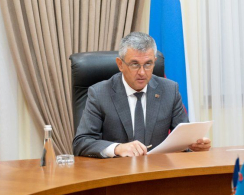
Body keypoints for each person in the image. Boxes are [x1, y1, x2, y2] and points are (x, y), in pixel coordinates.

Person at [73, 32, 211, 158]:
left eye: (148, 64)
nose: (142, 72)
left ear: (154, 62)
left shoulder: (169, 90)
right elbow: (81, 142)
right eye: (135, 64)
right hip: (118, 172)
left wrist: (194, 145)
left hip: (158, 171)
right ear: (120, 64)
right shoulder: (100, 93)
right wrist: (117, 148)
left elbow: (183, 138)